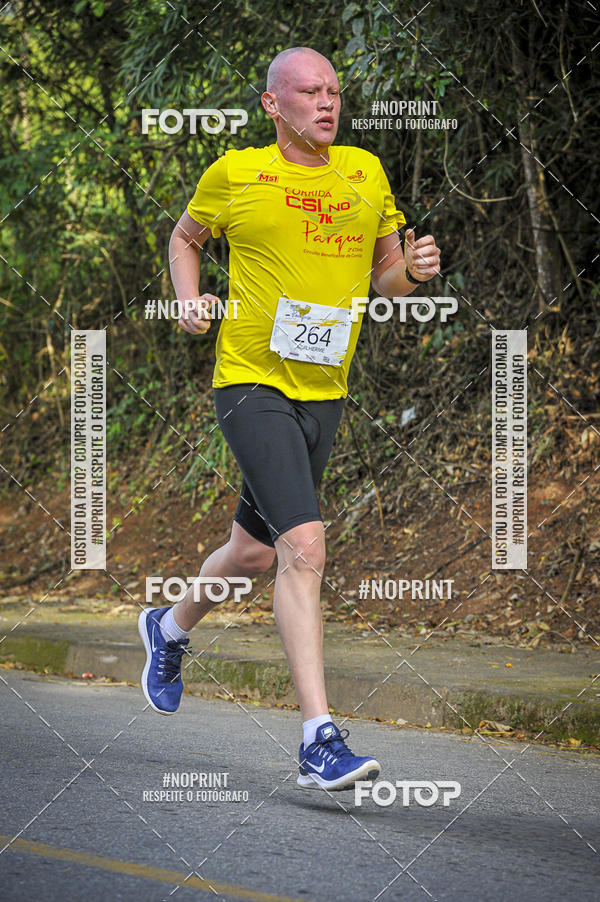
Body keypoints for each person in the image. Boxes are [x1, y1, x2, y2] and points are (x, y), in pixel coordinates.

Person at [139, 46, 441, 792]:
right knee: (305, 547)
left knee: (255, 554)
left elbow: (384, 280)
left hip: (324, 393)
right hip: (250, 383)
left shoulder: (366, 172)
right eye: (309, 92)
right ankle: (318, 738)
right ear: (275, 105)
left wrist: (417, 270)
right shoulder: (236, 173)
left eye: (334, 92)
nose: (327, 103)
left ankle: (167, 628)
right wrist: (187, 300)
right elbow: (185, 238)